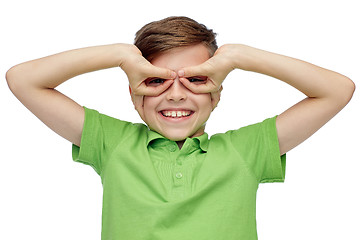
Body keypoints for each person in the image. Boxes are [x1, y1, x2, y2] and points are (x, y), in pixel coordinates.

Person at [6, 16, 355, 240]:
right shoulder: (112, 143)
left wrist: (238, 56)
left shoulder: (246, 149)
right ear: (133, 92)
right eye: (155, 80)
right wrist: (118, 54)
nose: (175, 94)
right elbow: (22, 80)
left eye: (196, 80)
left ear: (216, 93)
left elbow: (337, 91)